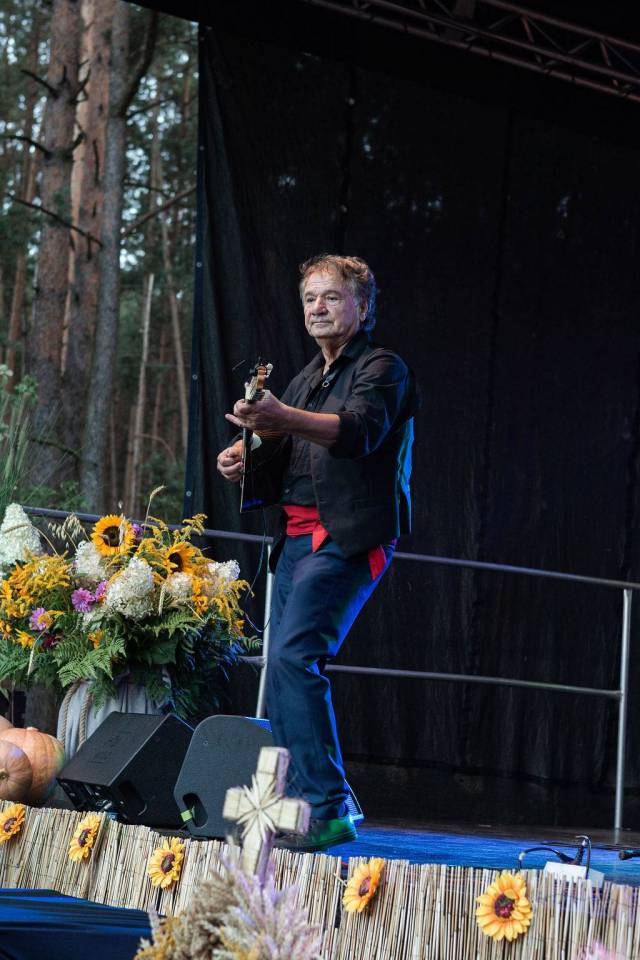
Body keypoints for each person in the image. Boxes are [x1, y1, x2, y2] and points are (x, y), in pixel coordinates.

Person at [216, 254, 415, 852]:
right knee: (281, 672)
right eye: (309, 298)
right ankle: (307, 801)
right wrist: (247, 452)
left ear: (362, 306)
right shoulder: (307, 377)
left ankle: (327, 808)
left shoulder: (383, 368)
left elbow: (356, 432)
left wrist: (279, 417)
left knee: (293, 659)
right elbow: (286, 446)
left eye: (331, 296)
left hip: (346, 536)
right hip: (297, 538)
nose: (317, 307)